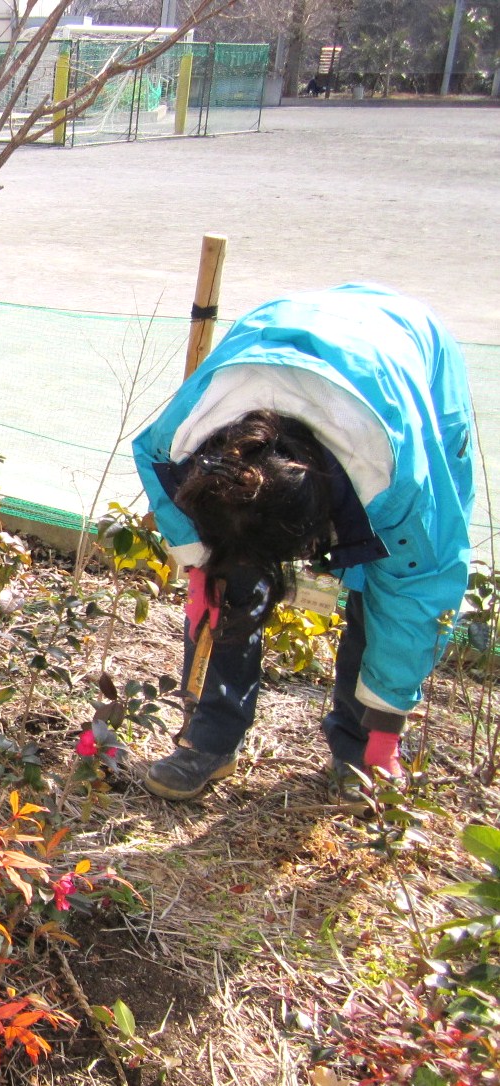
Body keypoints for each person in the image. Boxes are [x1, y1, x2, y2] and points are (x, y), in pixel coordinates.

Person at [131, 283, 475, 802]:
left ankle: (358, 749)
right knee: (232, 574)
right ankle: (209, 739)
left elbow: (418, 589)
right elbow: (161, 477)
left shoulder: (397, 483)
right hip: (278, 335)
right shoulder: (182, 438)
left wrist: (386, 728)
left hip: (403, 355)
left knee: (383, 590)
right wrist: (203, 568)